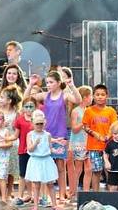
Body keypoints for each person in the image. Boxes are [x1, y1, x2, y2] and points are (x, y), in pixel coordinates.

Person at [24, 70, 81, 202]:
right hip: (45, 134)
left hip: (60, 134)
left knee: (61, 166)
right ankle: (45, 196)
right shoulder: (45, 95)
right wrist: (31, 85)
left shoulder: (64, 95)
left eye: (51, 82)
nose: (48, 85)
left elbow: (78, 100)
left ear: (58, 83)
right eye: (47, 82)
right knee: (44, 164)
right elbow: (27, 99)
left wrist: (72, 85)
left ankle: (61, 194)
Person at [82, 84, 118, 192]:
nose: (100, 97)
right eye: (97, 94)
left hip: (109, 146)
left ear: (107, 96)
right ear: (93, 96)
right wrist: (94, 133)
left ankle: (112, 196)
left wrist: (108, 136)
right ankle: (96, 195)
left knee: (110, 170)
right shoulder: (89, 111)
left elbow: (114, 127)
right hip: (94, 146)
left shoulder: (111, 111)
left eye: (102, 94)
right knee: (96, 171)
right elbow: (85, 126)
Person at [25, 110, 59, 210]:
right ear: (33, 124)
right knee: (36, 185)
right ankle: (35, 206)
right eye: (37, 124)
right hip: (35, 160)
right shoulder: (30, 134)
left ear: (44, 123)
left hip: (46, 160)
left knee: (50, 183)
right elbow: (30, 149)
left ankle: (54, 204)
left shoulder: (47, 134)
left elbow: (49, 147)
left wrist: (56, 150)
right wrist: (35, 143)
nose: (39, 125)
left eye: (41, 123)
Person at [70, 85, 93, 197]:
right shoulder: (76, 111)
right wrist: (84, 123)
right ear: (84, 97)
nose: (92, 98)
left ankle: (86, 192)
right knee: (78, 168)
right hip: (78, 142)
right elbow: (74, 129)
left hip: (88, 142)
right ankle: (73, 191)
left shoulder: (89, 110)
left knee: (89, 168)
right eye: (90, 96)